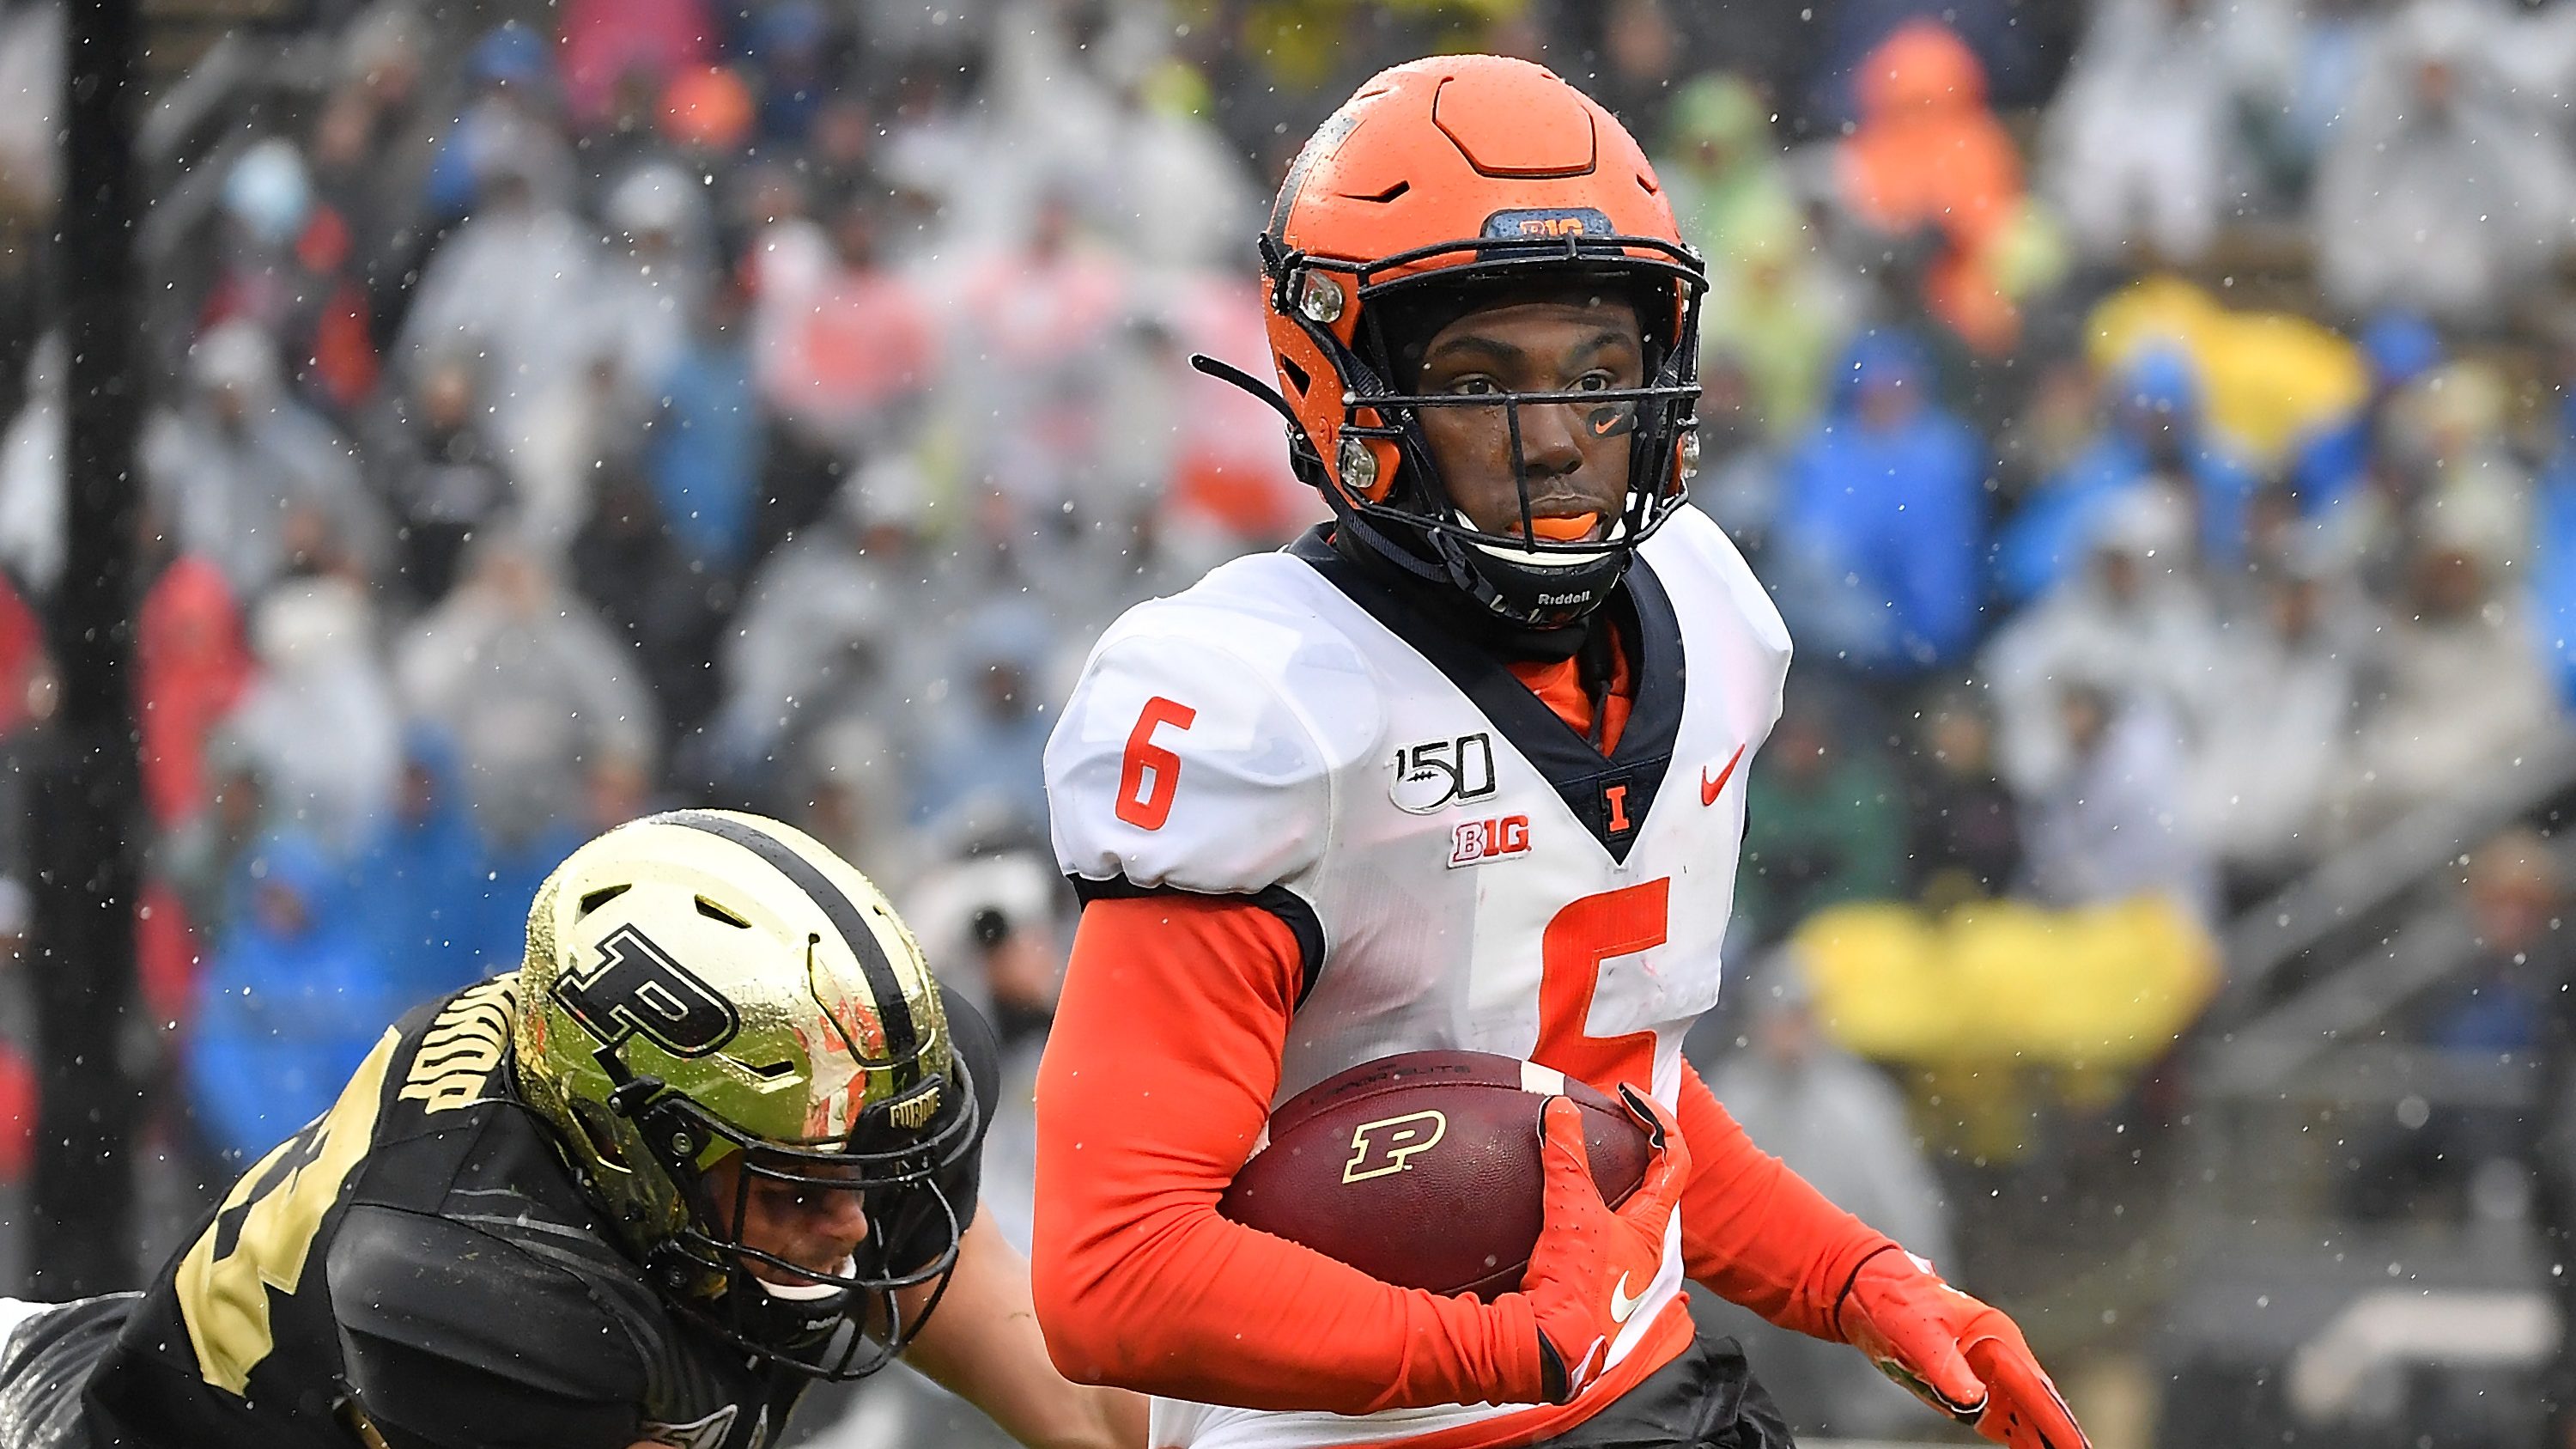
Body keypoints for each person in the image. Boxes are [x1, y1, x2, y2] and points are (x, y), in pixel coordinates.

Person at [1031, 55, 2087, 1449]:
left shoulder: (1711, 620)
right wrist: (1486, 1347)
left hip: (1656, 1394)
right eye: (1482, 383)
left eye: (1602, 373)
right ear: (1336, 386)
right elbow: (1110, 1278)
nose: (1563, 441)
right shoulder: (1260, 701)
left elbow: (1604, 1104)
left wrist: (1856, 1277)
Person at [0, 809, 1145, 1449]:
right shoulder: (475, 1287)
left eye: (866, 1177)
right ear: (635, 1152)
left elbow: (1093, 1417)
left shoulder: (815, 1110)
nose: (853, 1230)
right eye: (800, 1191)